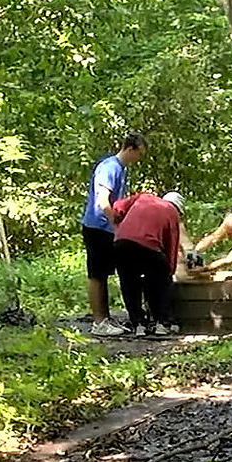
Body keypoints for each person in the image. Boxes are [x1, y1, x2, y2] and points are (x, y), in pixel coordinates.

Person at [81, 132, 147, 336]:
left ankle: (106, 319)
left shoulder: (120, 169)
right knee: (97, 275)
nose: (139, 160)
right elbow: (102, 202)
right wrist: (118, 226)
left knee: (104, 273)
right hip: (98, 227)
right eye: (139, 154)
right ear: (130, 149)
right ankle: (99, 322)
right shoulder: (110, 167)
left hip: (106, 228)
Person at [111, 191, 185, 337]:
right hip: (148, 246)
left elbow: (117, 207)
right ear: (178, 208)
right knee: (159, 281)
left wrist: (122, 223)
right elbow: (171, 247)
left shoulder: (143, 197)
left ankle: (138, 324)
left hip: (121, 242)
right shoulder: (172, 213)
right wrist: (170, 272)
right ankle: (161, 323)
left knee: (129, 282)